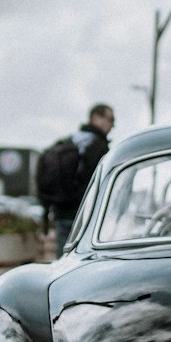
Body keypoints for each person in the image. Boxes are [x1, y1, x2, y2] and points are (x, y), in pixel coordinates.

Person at [40, 103, 115, 257]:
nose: (112, 125)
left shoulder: (68, 142)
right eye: (110, 119)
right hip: (86, 216)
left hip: (61, 212)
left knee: (63, 261)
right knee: (86, 262)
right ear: (96, 118)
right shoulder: (98, 146)